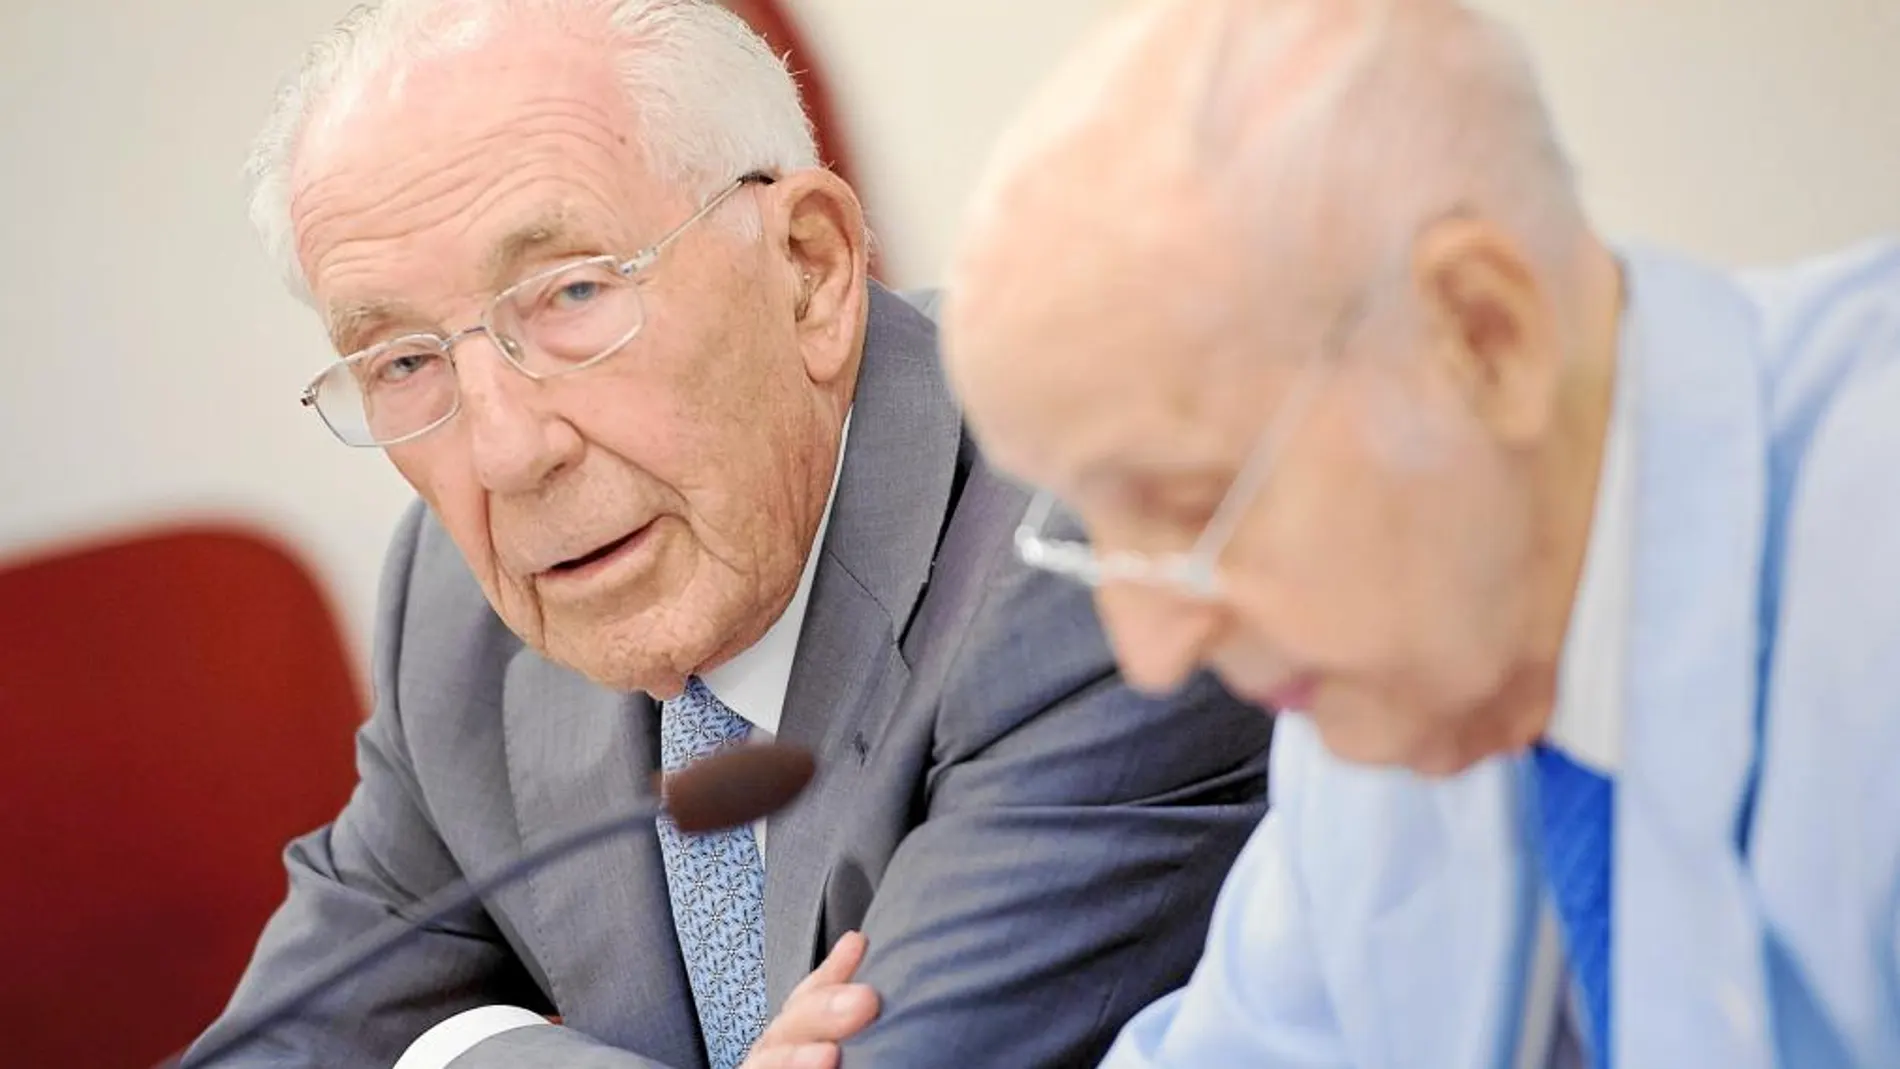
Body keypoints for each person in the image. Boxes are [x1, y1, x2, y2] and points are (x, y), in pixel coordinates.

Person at [185, 2, 1275, 1067]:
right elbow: (285, 1040)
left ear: (809, 268)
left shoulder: (1082, 530)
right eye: (406, 363)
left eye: (569, 293)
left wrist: (444, 1044)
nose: (508, 455)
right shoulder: (455, 605)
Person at [938, 0, 1900, 1066]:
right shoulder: (1389, 712)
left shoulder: (1869, 542)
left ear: (1485, 337)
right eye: (1101, 539)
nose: (1153, 652)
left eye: (1191, 507)